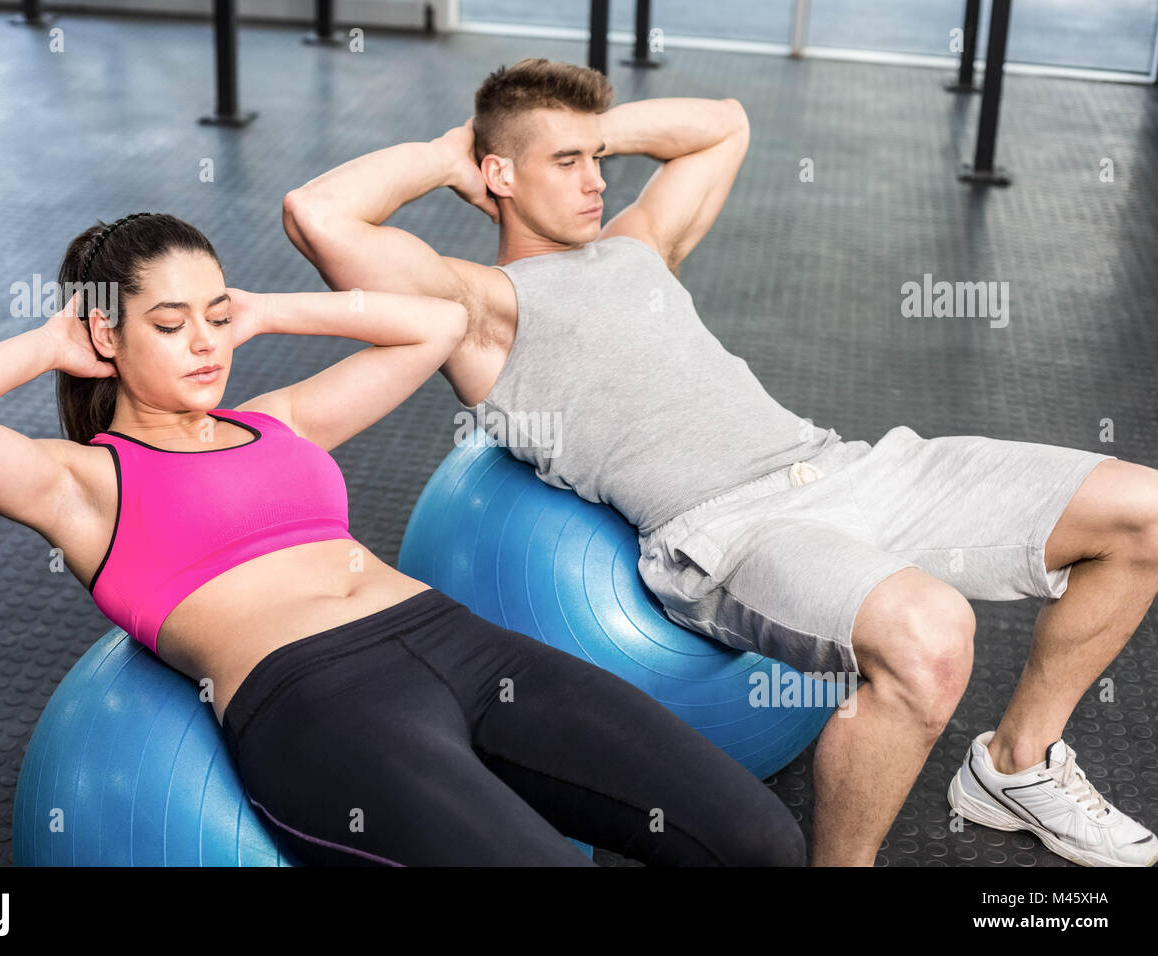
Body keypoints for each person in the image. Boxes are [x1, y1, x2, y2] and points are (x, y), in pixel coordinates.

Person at [279, 57, 1158, 867]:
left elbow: (722, 124)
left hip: (845, 467)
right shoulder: (477, 306)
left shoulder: (637, 242)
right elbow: (316, 215)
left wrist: (586, 134)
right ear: (497, 175)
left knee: (1142, 509)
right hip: (731, 530)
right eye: (564, 164)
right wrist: (451, 152)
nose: (595, 181)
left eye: (600, 160)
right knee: (931, 638)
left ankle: (1015, 765)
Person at [0, 211, 806, 867]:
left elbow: (435, 324)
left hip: (462, 645)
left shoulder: (276, 420)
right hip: (320, 705)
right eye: (170, 325)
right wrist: (55, 340)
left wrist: (271, 309)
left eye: (217, 313)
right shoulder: (85, 482)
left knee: (759, 837)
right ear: (108, 336)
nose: (207, 342)